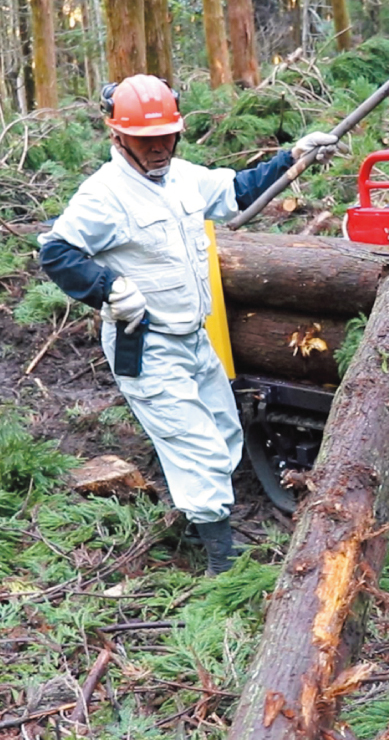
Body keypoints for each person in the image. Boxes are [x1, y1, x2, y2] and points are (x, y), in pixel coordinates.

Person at [38, 74, 338, 575]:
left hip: (193, 337)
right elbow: (58, 252)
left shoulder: (181, 178)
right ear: (118, 136)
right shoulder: (104, 196)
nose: (158, 148)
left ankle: (200, 517)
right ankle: (223, 562)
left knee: (222, 433)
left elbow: (236, 191)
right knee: (195, 446)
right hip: (146, 345)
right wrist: (109, 289)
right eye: (145, 140)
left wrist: (293, 158)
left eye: (166, 137)